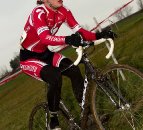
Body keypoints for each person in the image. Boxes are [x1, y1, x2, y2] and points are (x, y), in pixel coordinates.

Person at [19, 0, 116, 129]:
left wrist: (99, 35)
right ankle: (53, 119)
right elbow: (45, 38)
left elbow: (80, 31)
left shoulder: (63, 11)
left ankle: (88, 115)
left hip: (46, 54)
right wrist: (68, 39)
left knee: (74, 70)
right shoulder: (39, 12)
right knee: (54, 76)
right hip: (29, 58)